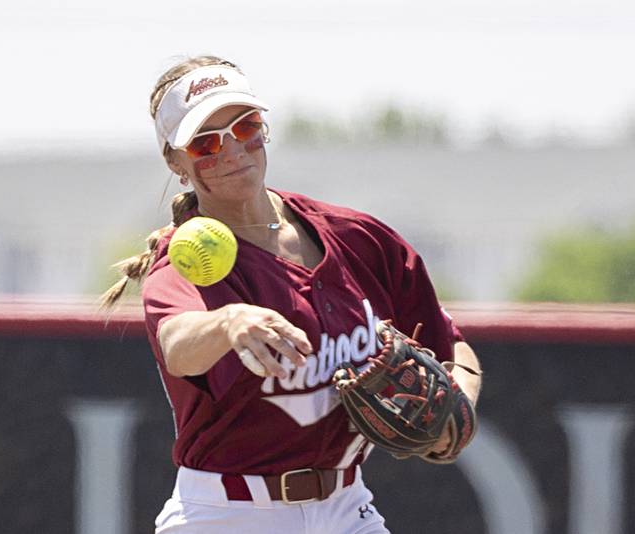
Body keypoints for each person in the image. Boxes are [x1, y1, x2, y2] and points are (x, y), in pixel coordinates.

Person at [101, 55, 483, 534]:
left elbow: (450, 340)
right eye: (204, 143)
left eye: (246, 127)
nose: (231, 149)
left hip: (347, 508)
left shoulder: (357, 237)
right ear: (175, 162)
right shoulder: (183, 261)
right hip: (227, 513)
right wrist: (228, 321)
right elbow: (178, 345)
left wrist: (457, 405)